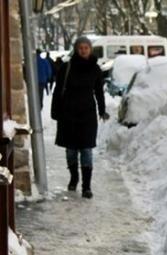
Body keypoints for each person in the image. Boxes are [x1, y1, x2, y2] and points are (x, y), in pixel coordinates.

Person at [51, 37, 108, 199]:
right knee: (71, 150)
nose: (83, 50)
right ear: (76, 49)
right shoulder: (66, 68)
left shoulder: (95, 69)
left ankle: (86, 186)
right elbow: (57, 91)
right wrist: (55, 112)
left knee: (86, 149)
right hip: (68, 113)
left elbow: (99, 92)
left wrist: (102, 110)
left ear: (90, 50)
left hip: (87, 114)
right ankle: (74, 177)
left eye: (86, 48)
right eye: (81, 48)